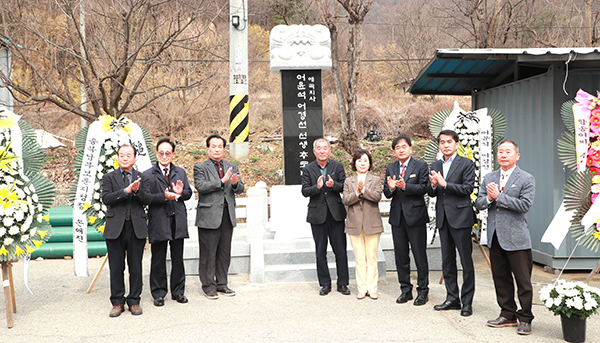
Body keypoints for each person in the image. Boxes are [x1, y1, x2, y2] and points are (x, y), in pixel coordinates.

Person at [475, 140, 536, 335]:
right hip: (495, 237)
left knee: (523, 281)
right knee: (500, 278)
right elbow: (479, 202)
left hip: (517, 238)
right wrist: (489, 198)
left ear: (516, 156)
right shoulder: (490, 177)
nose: (503, 155)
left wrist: (499, 197)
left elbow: (524, 205)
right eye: (500, 151)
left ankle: (525, 318)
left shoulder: (526, 178)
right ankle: (507, 314)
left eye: (508, 152)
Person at [427, 129, 476, 317]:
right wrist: (433, 185)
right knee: (447, 261)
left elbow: (467, 188)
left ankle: (467, 302)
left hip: (461, 219)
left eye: (449, 142)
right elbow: (432, 193)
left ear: (456, 144)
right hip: (443, 218)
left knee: (466, 262)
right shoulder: (436, 164)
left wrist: (444, 183)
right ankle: (452, 298)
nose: (445, 145)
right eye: (442, 142)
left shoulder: (466, 163)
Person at [101, 144, 151, 317]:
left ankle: (134, 300)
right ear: (117, 158)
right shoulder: (109, 177)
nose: (125, 157)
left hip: (136, 227)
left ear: (135, 158)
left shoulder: (143, 177)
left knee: (135, 266)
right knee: (116, 267)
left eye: (128, 155)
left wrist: (136, 192)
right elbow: (106, 198)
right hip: (115, 228)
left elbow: (148, 200)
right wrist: (126, 191)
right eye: (122, 155)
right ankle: (117, 301)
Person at [194, 134, 244, 299]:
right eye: (213, 146)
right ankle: (208, 286)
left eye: (220, 146)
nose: (217, 149)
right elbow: (201, 186)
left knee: (224, 252)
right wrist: (222, 181)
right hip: (209, 216)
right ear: (207, 148)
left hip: (226, 215)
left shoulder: (232, 166)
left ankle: (222, 284)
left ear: (224, 148)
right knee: (208, 253)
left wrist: (235, 183)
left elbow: (240, 189)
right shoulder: (200, 167)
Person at [144, 138, 193, 307]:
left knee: (177, 257)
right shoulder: (148, 174)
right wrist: (163, 197)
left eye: (168, 153)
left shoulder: (180, 172)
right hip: (159, 220)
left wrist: (179, 193)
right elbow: (146, 198)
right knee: (158, 258)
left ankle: (178, 292)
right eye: (161, 152)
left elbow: (188, 193)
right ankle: (158, 293)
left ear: (173, 154)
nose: (164, 156)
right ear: (156, 154)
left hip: (177, 218)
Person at [384, 136, 430, 306]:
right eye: (397, 147)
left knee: (419, 255)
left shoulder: (421, 166)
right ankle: (405, 290)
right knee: (401, 256)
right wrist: (390, 188)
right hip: (397, 219)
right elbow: (387, 193)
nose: (401, 150)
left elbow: (424, 188)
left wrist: (405, 187)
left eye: (404, 146)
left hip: (416, 218)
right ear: (394, 151)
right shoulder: (391, 168)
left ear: (410, 148)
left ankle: (423, 291)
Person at [301, 138, 350, 296]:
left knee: (340, 250)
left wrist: (333, 185)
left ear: (329, 150)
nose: (322, 151)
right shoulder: (308, 169)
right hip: (317, 216)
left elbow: (344, 186)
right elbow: (305, 191)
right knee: (320, 251)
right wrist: (317, 187)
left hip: (336, 214)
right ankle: (325, 284)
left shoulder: (337, 166)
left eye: (325, 148)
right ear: (314, 151)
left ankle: (342, 283)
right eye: (319, 148)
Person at [342, 149, 383, 300]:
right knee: (359, 258)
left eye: (365, 160)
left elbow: (377, 197)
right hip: (354, 224)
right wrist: (357, 193)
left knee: (372, 257)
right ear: (354, 163)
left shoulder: (376, 179)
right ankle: (361, 288)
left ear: (370, 163)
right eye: (359, 160)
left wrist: (364, 190)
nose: (362, 163)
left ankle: (372, 288)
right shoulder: (348, 181)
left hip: (372, 224)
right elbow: (345, 200)